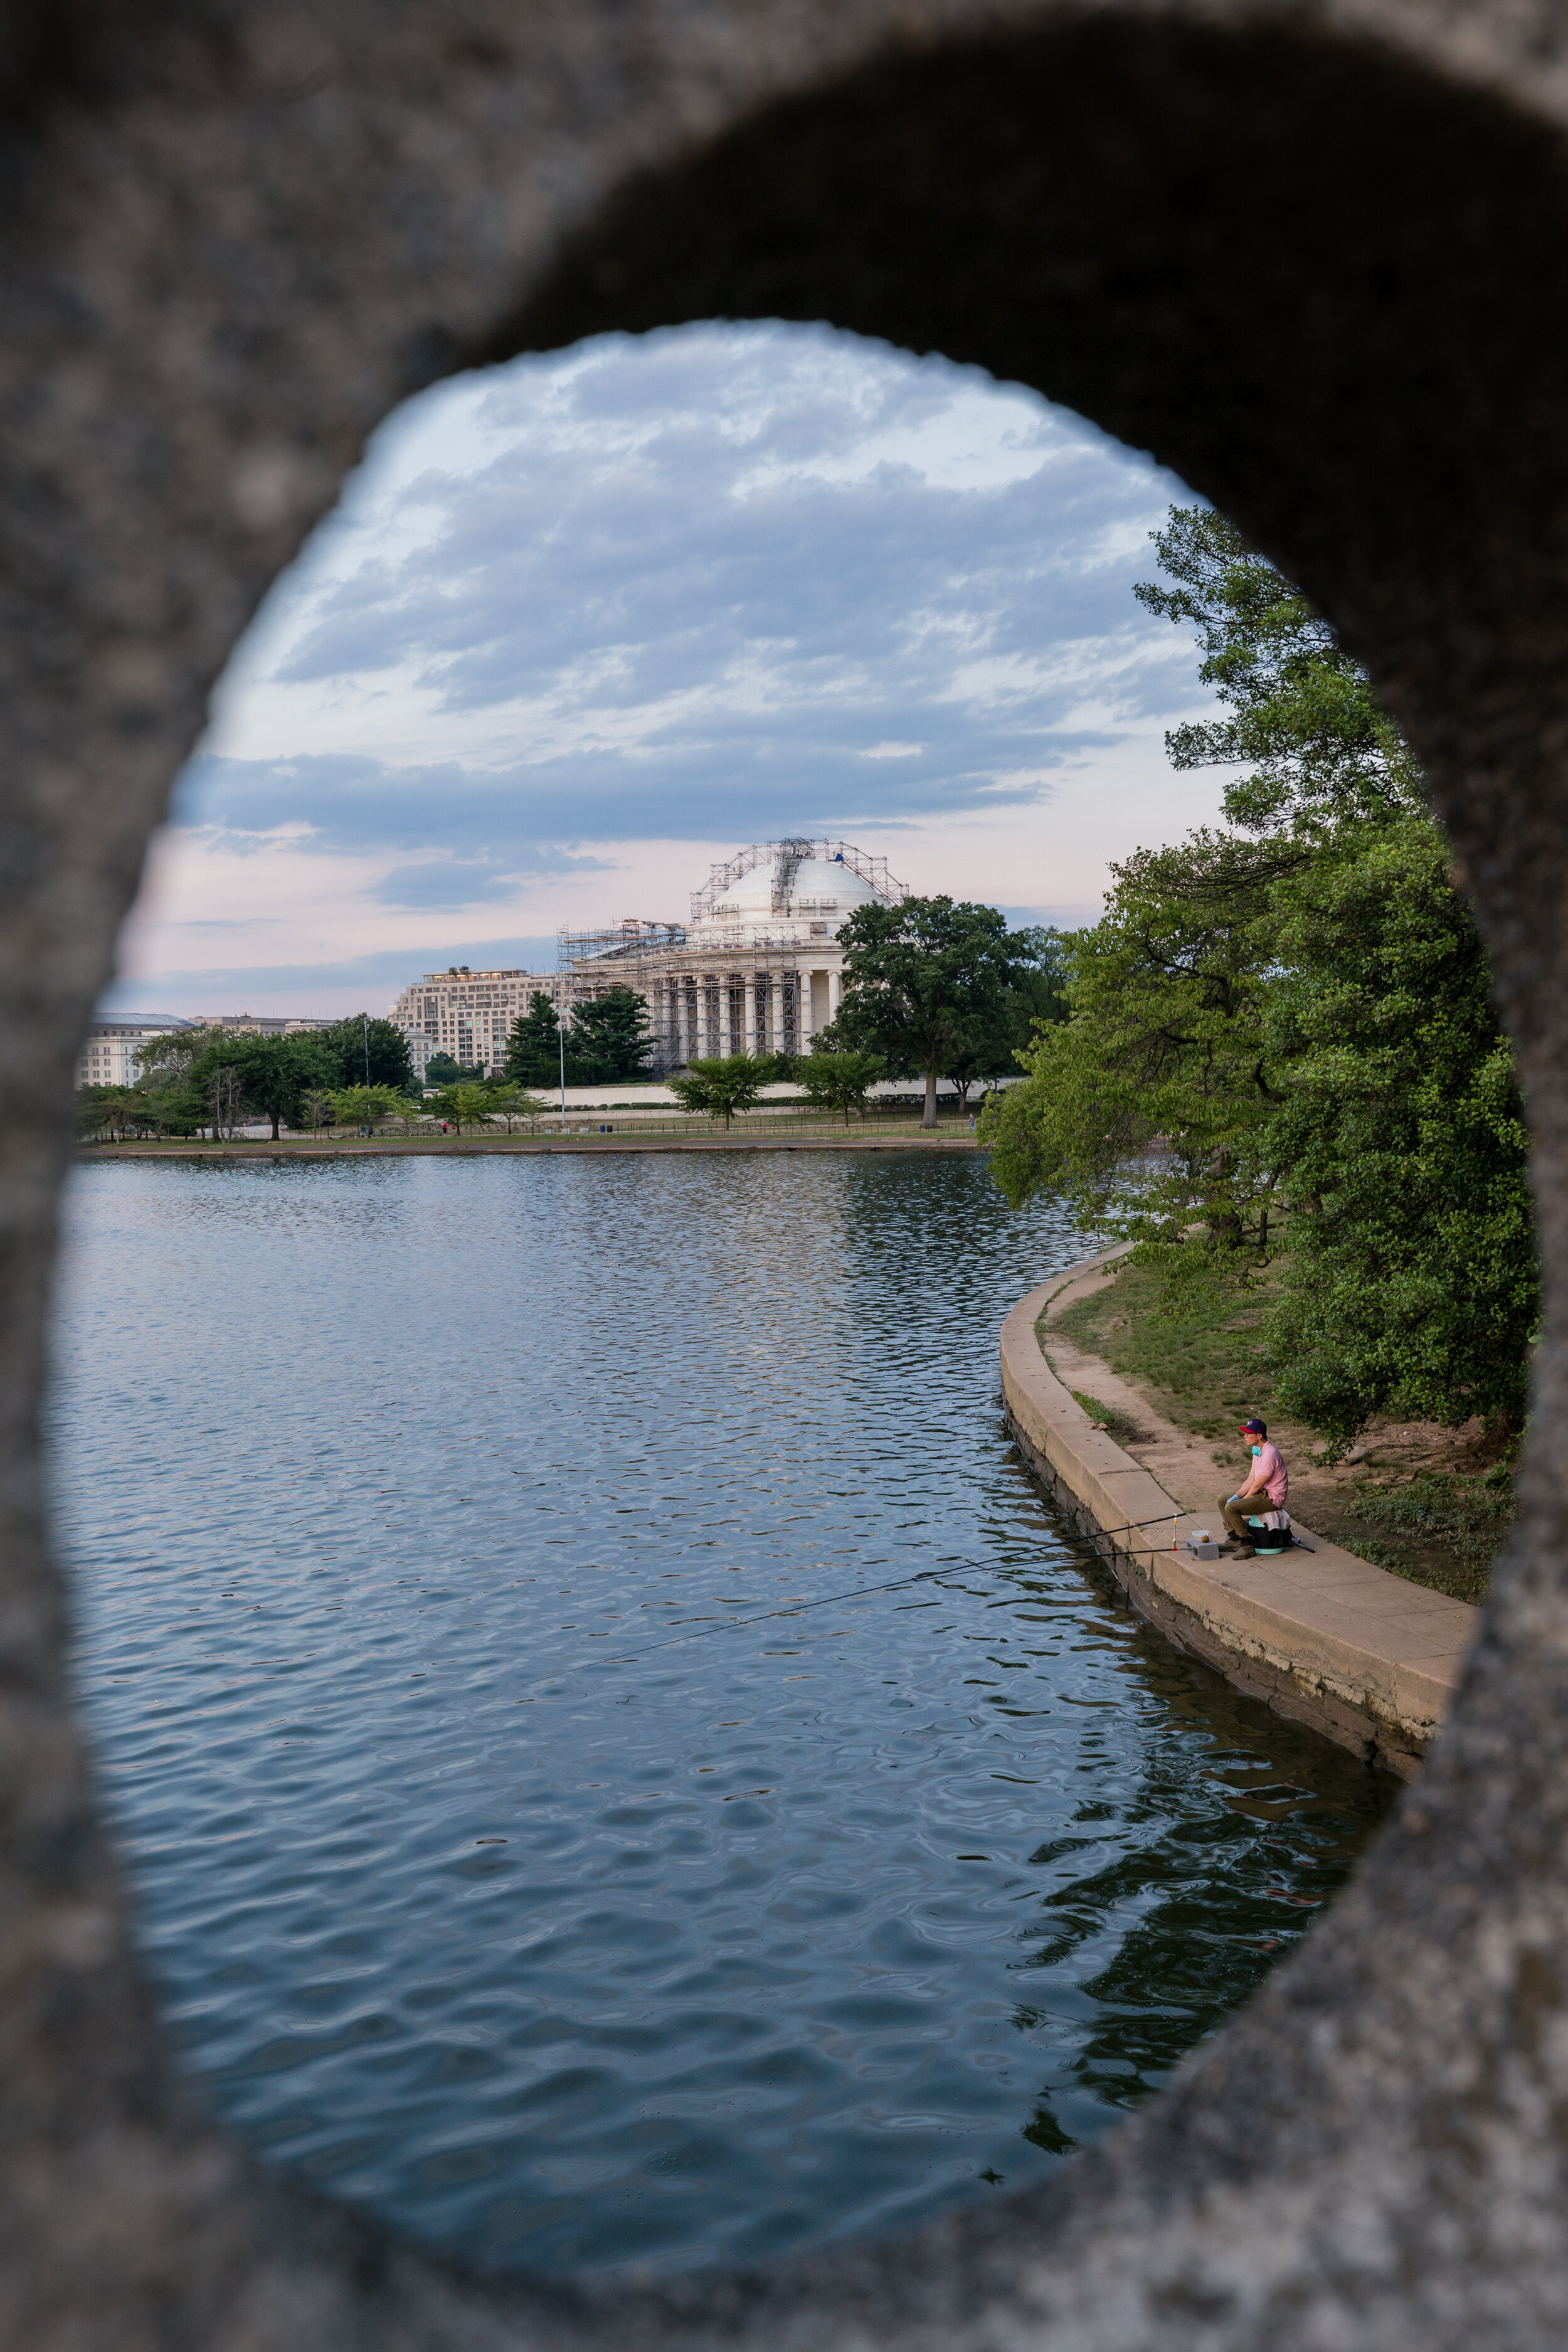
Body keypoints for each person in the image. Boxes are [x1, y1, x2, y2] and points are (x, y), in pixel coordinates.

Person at [1221, 1417, 1288, 1557]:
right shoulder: (1258, 1450)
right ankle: (1234, 1538)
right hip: (1261, 1493)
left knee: (1232, 1508)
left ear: (1259, 1436)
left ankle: (1247, 1544)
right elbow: (1251, 1479)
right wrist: (1237, 1496)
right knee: (1223, 1500)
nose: (1244, 1436)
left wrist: (1240, 1502)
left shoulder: (1270, 1454)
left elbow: (1257, 1485)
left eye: (1248, 1434)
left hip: (1271, 1498)